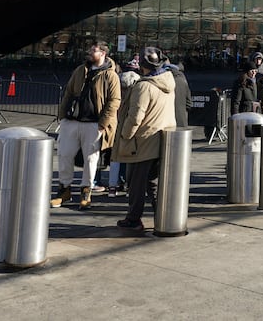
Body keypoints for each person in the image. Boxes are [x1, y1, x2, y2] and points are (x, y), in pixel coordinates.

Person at [51, 41, 121, 211]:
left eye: (94, 50)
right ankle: (64, 190)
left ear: (103, 53)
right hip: (72, 121)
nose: (89, 52)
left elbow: (114, 100)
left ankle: (86, 192)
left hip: (94, 124)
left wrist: (103, 123)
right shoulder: (80, 70)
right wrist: (62, 117)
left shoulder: (110, 75)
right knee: (64, 155)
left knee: (91, 159)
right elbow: (68, 92)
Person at [113, 46, 177, 231]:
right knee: (153, 183)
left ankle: (134, 219)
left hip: (142, 142)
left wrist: (125, 134)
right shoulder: (168, 81)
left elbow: (135, 117)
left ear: (142, 64)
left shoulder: (144, 86)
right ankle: (163, 218)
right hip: (161, 139)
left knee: (136, 184)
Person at [169, 59, 193, 128]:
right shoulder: (183, 79)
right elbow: (189, 103)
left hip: (166, 122)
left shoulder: (162, 80)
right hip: (181, 121)